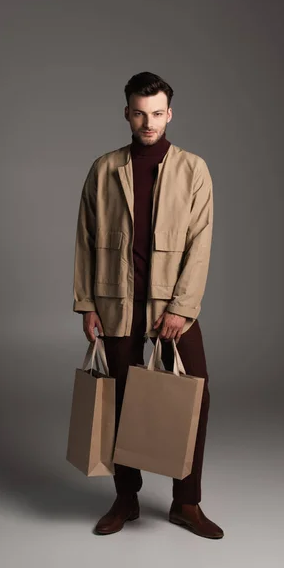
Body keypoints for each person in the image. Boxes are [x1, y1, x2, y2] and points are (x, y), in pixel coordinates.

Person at [73, 72, 224, 539]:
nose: (148, 121)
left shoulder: (193, 170)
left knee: (193, 398)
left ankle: (186, 502)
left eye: (157, 113)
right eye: (140, 112)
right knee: (120, 400)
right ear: (127, 113)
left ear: (169, 114)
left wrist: (182, 307)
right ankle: (125, 498)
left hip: (169, 307)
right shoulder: (103, 170)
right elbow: (85, 239)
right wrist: (86, 304)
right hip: (116, 303)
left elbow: (200, 244)